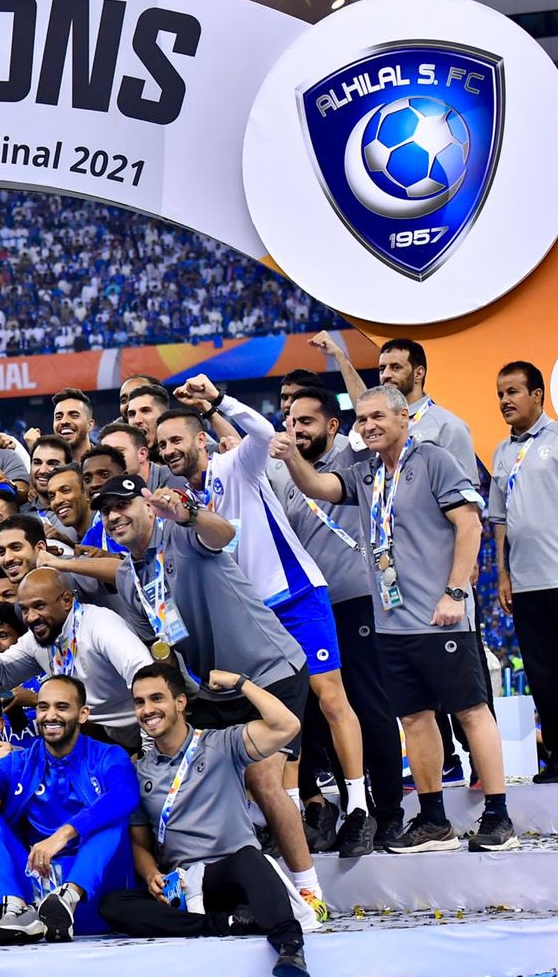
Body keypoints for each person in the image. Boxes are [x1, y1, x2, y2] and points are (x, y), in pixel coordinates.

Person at [272, 385, 514, 853]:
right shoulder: (365, 473)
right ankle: (434, 820)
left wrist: (455, 592)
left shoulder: (434, 460)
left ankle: (498, 815)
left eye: (377, 416)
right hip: (390, 621)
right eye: (362, 419)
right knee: (415, 718)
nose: (368, 426)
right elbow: (318, 487)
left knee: (470, 711)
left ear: (404, 417)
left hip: (440, 616)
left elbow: (470, 524)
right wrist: (290, 457)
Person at [85, 475, 325, 910]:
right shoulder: (128, 578)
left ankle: (310, 890)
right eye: (106, 511)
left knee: (262, 779)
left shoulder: (181, 534)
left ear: (147, 505)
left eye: (123, 505)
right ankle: (234, 882)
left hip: (268, 671)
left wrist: (189, 513)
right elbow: (161, 654)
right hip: (210, 690)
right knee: (198, 774)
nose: (114, 516)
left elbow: (224, 533)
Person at [157, 377, 371, 857]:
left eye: (176, 440)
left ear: (201, 439)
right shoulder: (180, 503)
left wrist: (217, 400)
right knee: (278, 715)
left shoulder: (235, 463)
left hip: (295, 594)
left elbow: (261, 432)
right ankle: (292, 814)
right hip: (253, 617)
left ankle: (359, 807)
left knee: (329, 696)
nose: (169, 450)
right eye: (162, 444)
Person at [99, 663, 311, 977]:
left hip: (235, 875)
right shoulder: (139, 772)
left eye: (157, 698)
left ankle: (290, 945)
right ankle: (226, 924)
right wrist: (152, 873)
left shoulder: (222, 744)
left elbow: (287, 725)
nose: (147, 710)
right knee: (113, 905)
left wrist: (241, 681)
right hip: (185, 886)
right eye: (139, 702)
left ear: (180, 702)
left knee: (249, 858)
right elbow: (139, 843)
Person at [276, 387, 406, 845]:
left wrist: (339, 358)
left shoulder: (355, 458)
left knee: (369, 705)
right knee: (324, 712)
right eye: (291, 422)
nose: (297, 430)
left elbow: (375, 409)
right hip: (312, 609)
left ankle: (389, 811)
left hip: (356, 600)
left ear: (333, 425)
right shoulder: (287, 476)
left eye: (306, 421)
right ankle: (352, 806)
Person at [0, 675, 137, 944]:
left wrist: (63, 834)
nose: (50, 715)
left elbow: (125, 796)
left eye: (62, 707)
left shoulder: (108, 755)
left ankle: (68, 898)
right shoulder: (19, 762)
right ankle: (16, 911)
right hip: (37, 887)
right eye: (43, 707)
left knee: (110, 818)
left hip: (94, 895)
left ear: (83, 714)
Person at [0, 571, 150, 751]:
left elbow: (146, 679)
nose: (31, 617)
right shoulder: (36, 638)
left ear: (66, 601)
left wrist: (149, 749)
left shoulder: (100, 625)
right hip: (95, 737)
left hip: (142, 733)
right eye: (24, 609)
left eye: (39, 606)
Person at [489, 361, 558, 783]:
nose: (504, 401)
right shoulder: (500, 452)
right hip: (527, 583)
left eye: (513, 391)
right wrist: (503, 574)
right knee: (542, 673)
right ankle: (556, 757)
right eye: (500, 394)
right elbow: (499, 520)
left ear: (537, 395)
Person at [311, 332, 477, 477]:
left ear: (418, 373)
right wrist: (340, 357)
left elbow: (467, 492)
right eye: (382, 369)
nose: (386, 375)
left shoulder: (448, 426)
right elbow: (365, 404)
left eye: (396, 367)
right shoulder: (378, 423)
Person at [100, 421, 178, 492]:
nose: (109, 461)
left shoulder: (174, 479)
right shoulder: (107, 488)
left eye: (118, 451)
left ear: (142, 454)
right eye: (105, 455)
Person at [52, 389, 96, 461]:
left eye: (74, 416)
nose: (64, 421)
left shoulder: (106, 463)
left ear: (90, 425)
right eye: (58, 417)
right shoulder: (45, 465)